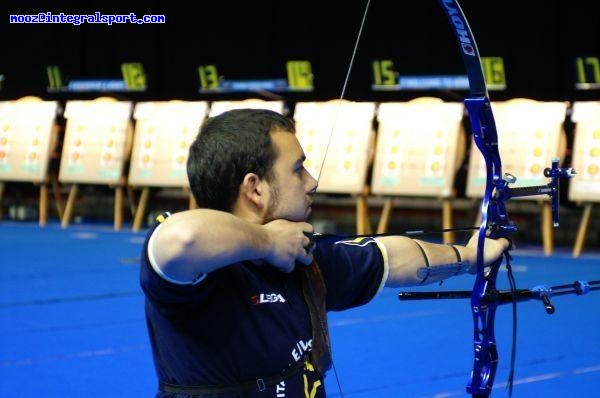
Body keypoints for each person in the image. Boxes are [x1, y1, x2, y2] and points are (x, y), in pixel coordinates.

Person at [139, 108, 510, 398]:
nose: (312, 181)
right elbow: (181, 238)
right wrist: (267, 241)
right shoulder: (194, 271)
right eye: (297, 169)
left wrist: (468, 256)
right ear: (255, 189)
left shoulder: (303, 256)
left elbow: (392, 256)